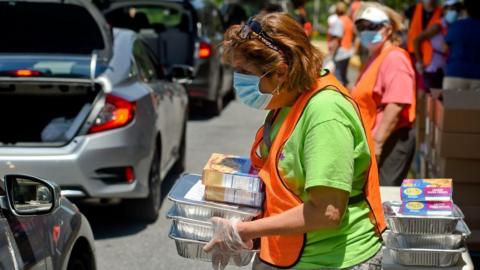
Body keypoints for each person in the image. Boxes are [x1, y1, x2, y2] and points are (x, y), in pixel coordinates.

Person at [203, 12, 386, 270]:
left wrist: (244, 230)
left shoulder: (326, 114)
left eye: (245, 71)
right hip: (289, 253)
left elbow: (327, 211)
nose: (238, 79)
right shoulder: (288, 100)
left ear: (280, 72)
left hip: (330, 261)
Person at [351, 4, 416, 186]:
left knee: (383, 194)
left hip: (390, 140)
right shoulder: (376, 57)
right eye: (361, 27)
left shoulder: (394, 58)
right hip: (376, 140)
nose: (365, 32)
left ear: (387, 29)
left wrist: (377, 142)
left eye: (372, 27)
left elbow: (396, 103)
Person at [413, 0, 462, 90]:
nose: (454, 12)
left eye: (456, 9)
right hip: (433, 69)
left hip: (444, 70)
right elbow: (417, 40)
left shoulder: (454, 26)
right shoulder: (438, 26)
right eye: (450, 9)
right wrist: (419, 62)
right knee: (437, 99)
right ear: (444, 10)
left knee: (441, 100)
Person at [443, 0, 480, 90]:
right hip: (477, 77)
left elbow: (445, 48)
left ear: (466, 10)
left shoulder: (456, 26)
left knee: (456, 104)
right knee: (474, 104)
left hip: (455, 75)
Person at [328, 2, 355, 86]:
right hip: (348, 51)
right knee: (343, 76)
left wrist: (331, 54)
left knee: (338, 77)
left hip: (340, 52)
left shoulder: (339, 21)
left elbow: (336, 39)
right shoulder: (349, 21)